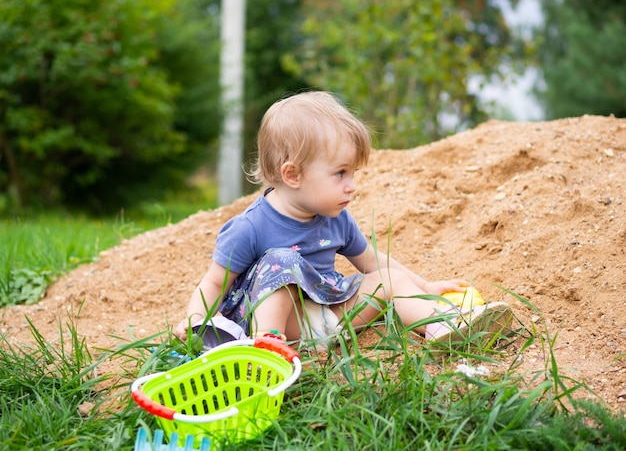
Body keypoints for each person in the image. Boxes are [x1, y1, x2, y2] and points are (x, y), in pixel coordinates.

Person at [174, 91, 512, 347]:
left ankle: (444, 326)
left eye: (353, 173)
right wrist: (195, 320)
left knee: (388, 280)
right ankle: (269, 350)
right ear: (292, 174)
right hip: (281, 324)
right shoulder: (250, 227)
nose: (352, 186)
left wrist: (425, 286)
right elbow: (216, 282)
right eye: (340, 173)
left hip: (333, 317)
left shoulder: (336, 217)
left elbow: (371, 261)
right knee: (281, 260)